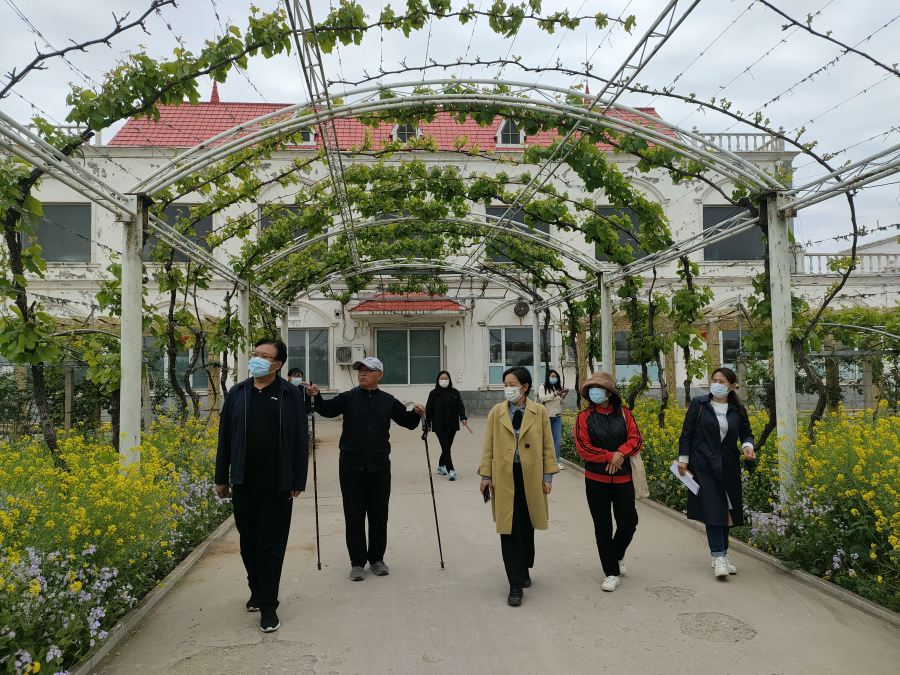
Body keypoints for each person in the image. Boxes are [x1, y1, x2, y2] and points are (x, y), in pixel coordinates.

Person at [215, 339, 309, 633]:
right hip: (244, 481)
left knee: (271, 545)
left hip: (278, 484)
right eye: (255, 354)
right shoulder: (238, 393)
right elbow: (225, 437)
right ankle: (256, 588)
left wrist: (297, 479)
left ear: (277, 364)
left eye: (264, 356)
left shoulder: (290, 394)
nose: (256, 359)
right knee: (248, 542)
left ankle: (269, 606)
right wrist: (221, 477)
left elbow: (300, 438)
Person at [305, 357, 425, 581]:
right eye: (360, 370)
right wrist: (317, 395)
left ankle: (377, 559)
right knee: (354, 515)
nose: (362, 373)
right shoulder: (348, 397)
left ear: (379, 375)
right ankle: (357, 562)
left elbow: (407, 422)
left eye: (368, 370)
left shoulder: (388, 401)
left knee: (379, 515)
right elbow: (328, 410)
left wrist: (417, 413)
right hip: (351, 466)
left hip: (379, 466)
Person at [479, 366, 559, 606]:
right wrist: (486, 475)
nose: (508, 389)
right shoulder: (496, 412)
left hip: (531, 476)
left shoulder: (539, 411)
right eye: (505, 385)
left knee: (527, 523)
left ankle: (524, 568)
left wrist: (548, 477)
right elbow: (488, 445)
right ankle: (514, 583)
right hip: (505, 476)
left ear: (524, 387)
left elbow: (548, 445)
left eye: (512, 385)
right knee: (509, 527)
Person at [678, 367, 756, 579]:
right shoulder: (700, 404)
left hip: (728, 464)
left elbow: (746, 433)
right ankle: (718, 556)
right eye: (714, 380)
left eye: (722, 382)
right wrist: (683, 460)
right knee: (713, 508)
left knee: (726, 509)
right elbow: (686, 434)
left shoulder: (737, 409)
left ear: (731, 387)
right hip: (703, 464)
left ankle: (722, 554)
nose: (717, 384)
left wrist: (747, 447)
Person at [574, 371, 643, 593]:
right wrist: (607, 456)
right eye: (591, 388)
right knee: (603, 527)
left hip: (623, 478)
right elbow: (583, 447)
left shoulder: (625, 414)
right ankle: (611, 572)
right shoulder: (584, 417)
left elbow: (636, 439)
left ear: (610, 392)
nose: (595, 392)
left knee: (629, 522)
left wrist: (619, 454)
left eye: (599, 388)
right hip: (596, 480)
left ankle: (617, 554)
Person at [425, 370, 471, 480]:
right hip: (439, 425)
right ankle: (451, 470)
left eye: (446, 378)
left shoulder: (454, 392)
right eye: (442, 378)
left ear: (449, 380)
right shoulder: (434, 393)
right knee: (446, 448)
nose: (444, 380)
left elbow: (460, 406)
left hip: (452, 424)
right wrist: (427, 424)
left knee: (447, 447)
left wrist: (463, 417)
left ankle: (441, 466)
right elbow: (429, 409)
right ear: (438, 380)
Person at [538, 369, 569, 471]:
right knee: (544, 440)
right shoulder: (543, 387)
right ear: (548, 377)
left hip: (557, 418)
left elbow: (562, 403)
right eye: (552, 376)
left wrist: (563, 396)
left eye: (555, 377)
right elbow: (542, 398)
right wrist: (555, 394)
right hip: (546, 417)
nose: (554, 378)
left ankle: (557, 462)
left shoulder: (558, 388)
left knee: (557, 440)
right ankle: (543, 460)